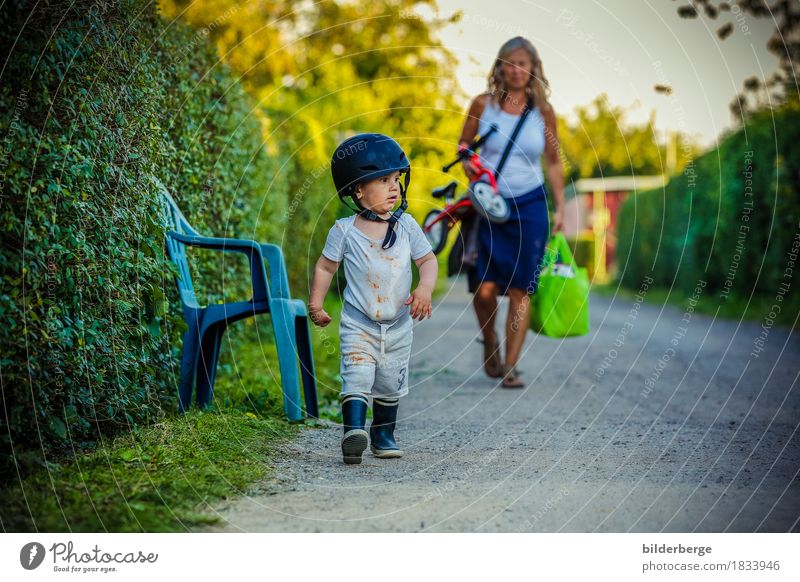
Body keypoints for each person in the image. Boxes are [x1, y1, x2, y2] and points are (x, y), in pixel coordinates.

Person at [309, 133, 438, 465]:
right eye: (383, 180)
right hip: (359, 322)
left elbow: (428, 261)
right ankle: (354, 432)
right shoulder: (344, 230)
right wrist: (317, 303)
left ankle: (383, 435)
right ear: (358, 190)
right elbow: (326, 266)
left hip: (397, 326)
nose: (394, 186)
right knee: (358, 374)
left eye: (396, 179)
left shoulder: (407, 226)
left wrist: (424, 288)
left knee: (390, 382)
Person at [458, 37, 565, 388]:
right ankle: (490, 343)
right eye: (511, 62)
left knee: (522, 288)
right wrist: (470, 168)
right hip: (490, 205)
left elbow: (552, 161)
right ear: (500, 66)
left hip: (531, 206)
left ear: (534, 68)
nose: (517, 70)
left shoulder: (543, 112)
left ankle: (510, 365)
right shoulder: (482, 105)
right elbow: (463, 148)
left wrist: (560, 205)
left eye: (525, 63)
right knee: (484, 289)